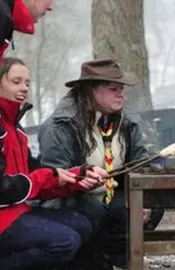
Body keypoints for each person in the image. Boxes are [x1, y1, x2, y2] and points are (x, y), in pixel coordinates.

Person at [37, 59, 163, 269]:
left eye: (122, 89)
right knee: (93, 210)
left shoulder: (128, 121)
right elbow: (55, 180)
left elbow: (140, 163)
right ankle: (87, 257)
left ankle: (114, 255)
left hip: (114, 194)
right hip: (76, 200)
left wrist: (145, 201)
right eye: (113, 89)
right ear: (90, 91)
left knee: (153, 204)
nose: (121, 94)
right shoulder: (60, 126)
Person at [0, 57, 107, 270]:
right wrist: (50, 177)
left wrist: (76, 177)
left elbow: (34, 173)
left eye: (27, 83)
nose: (24, 88)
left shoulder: (15, 127)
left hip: (17, 211)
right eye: (16, 81)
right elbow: (4, 188)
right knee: (63, 241)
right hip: (4, 217)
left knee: (82, 225)